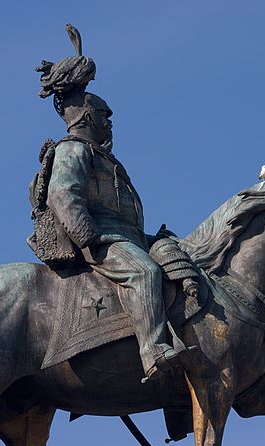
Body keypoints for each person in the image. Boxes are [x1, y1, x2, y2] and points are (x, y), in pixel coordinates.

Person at [45, 92, 183, 382]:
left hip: (126, 237)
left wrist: (150, 239)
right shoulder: (73, 150)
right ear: (88, 116)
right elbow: (61, 194)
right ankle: (154, 351)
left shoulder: (103, 157)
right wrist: (88, 235)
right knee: (144, 272)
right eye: (104, 114)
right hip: (100, 238)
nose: (109, 122)